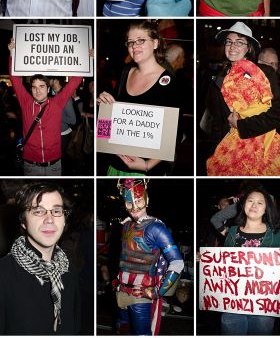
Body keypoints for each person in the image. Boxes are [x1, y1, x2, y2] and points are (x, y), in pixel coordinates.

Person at [97, 21, 187, 176]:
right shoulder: (125, 72)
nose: (134, 46)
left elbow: (175, 134)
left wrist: (147, 165)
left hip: (145, 172)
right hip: (115, 164)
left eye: (141, 40)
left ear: (155, 43)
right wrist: (103, 106)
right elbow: (109, 122)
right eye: (131, 42)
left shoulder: (169, 83)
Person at [204, 22, 280, 176]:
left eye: (239, 42)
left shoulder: (265, 73)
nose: (232, 46)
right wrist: (217, 150)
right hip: (232, 153)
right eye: (229, 42)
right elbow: (217, 123)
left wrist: (241, 125)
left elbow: (279, 114)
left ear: (249, 48)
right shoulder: (218, 79)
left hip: (263, 149)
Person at [208, 184, 280, 335]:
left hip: (263, 305)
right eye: (250, 201)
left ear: (266, 208)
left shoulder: (275, 234)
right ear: (243, 205)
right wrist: (206, 259)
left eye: (260, 202)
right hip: (232, 302)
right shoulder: (232, 232)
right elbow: (223, 265)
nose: (254, 205)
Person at [0, 183, 81, 335]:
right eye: (38, 211)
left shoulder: (70, 271)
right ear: (23, 221)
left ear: (64, 219)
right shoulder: (2, 274)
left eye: (56, 211)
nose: (49, 219)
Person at [112, 179, 183, 336]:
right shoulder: (126, 225)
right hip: (121, 290)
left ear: (147, 200)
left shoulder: (156, 228)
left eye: (138, 201)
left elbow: (177, 262)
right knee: (122, 330)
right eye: (129, 203)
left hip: (140, 296)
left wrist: (157, 292)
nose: (134, 207)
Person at [7, 38, 82, 176]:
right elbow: (14, 79)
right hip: (31, 165)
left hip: (54, 165)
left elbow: (75, 82)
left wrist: (88, 59)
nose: (38, 91)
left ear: (48, 89)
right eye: (34, 87)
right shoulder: (26, 102)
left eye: (41, 86)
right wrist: (12, 53)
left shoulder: (57, 102)